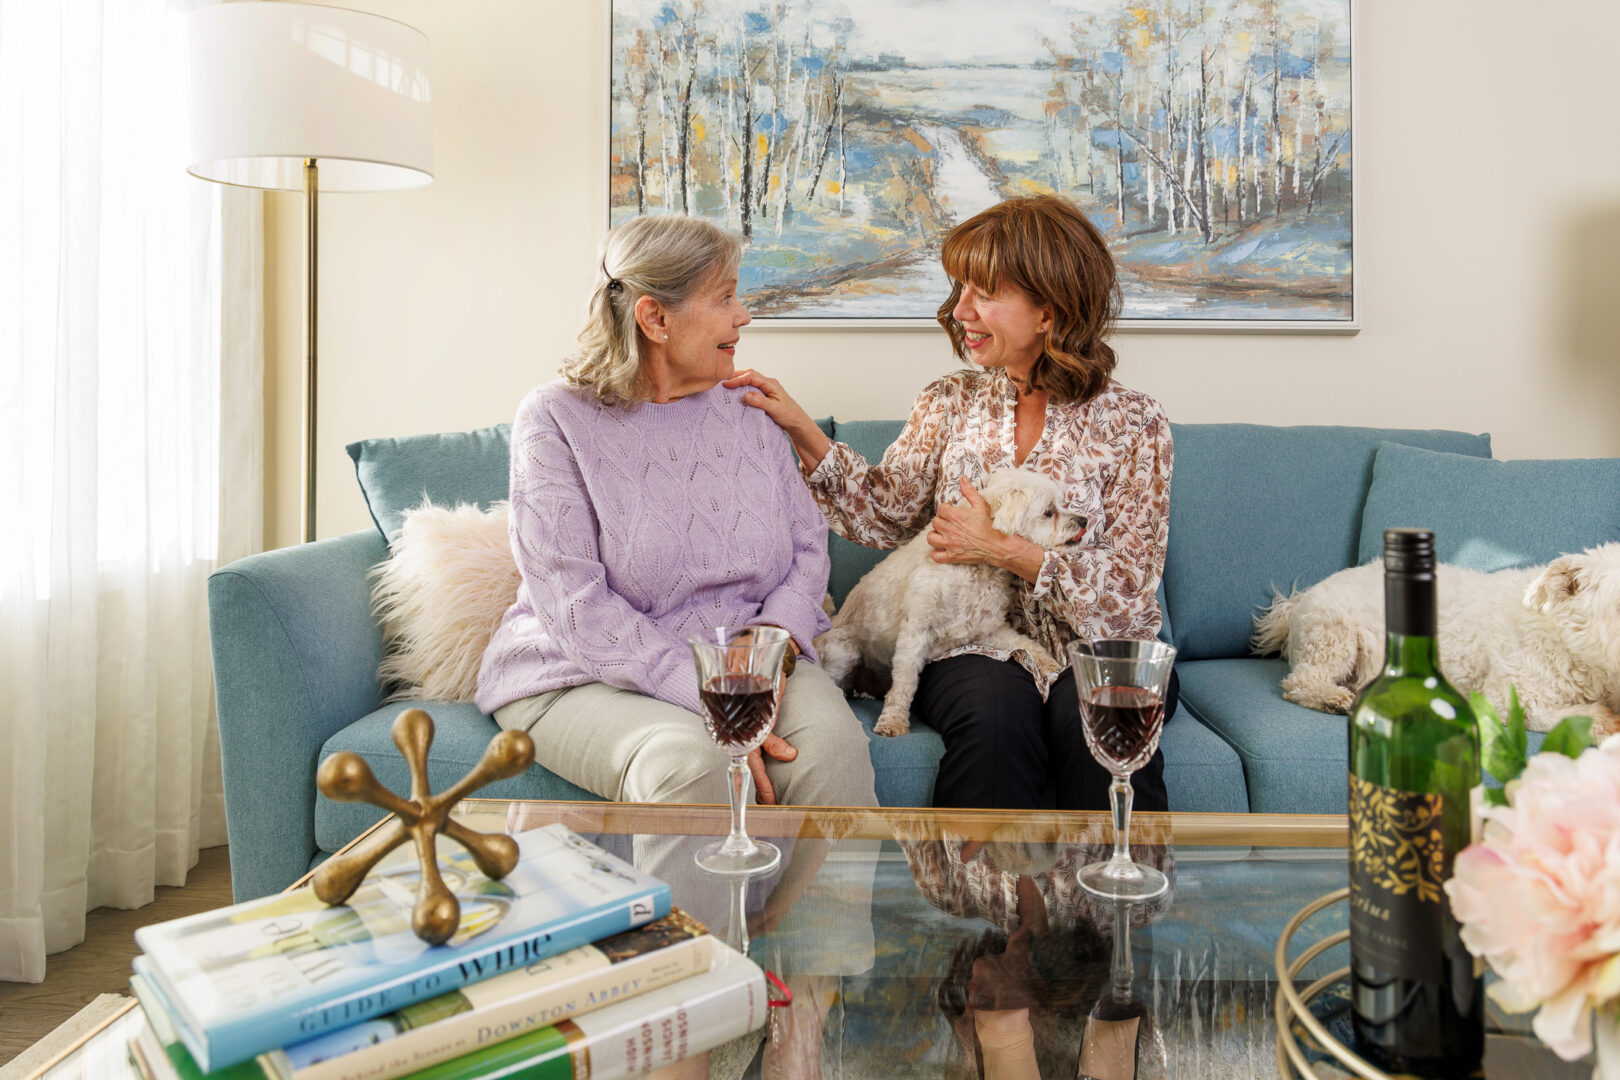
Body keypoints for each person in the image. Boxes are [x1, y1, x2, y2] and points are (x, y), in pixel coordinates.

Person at [725, 193, 1178, 812]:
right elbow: (886, 514)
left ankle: (1114, 876)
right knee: (993, 720)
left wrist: (1002, 549)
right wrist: (804, 430)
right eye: (960, 289)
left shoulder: (1135, 423)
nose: (960, 309)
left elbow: (1129, 592)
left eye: (983, 293)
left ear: (1049, 312)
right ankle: (974, 880)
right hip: (971, 642)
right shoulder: (949, 401)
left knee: (1091, 723)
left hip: (1099, 646)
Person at [475, 213, 877, 820]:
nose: (744, 316)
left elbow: (807, 547)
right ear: (655, 318)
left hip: (751, 661)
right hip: (580, 672)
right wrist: (709, 693)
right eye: (725, 298)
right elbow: (574, 602)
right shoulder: (555, 418)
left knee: (833, 757)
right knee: (694, 767)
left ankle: (784, 895)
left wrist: (770, 643)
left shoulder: (749, 409)